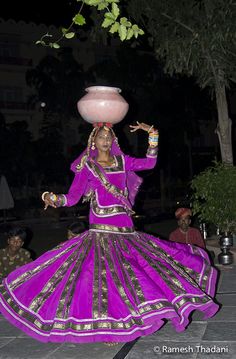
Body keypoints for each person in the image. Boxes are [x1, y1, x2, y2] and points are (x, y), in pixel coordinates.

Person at [0, 121, 219, 344]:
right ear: (93, 141)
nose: (105, 140)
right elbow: (73, 197)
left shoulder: (123, 161)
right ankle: (109, 329)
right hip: (100, 231)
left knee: (134, 276)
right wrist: (53, 198)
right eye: (101, 137)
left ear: (113, 140)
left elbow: (150, 163)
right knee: (102, 281)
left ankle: (131, 319)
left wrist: (153, 134)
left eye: (109, 136)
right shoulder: (88, 166)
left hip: (125, 231)